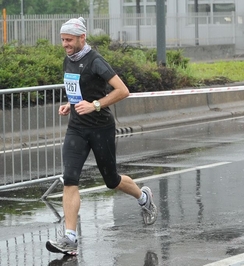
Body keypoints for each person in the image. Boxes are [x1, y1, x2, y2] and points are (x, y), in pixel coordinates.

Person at [46, 17, 158, 256]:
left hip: (100, 128)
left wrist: (95, 104)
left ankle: (143, 197)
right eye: (62, 40)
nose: (64, 44)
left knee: (112, 180)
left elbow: (123, 90)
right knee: (70, 178)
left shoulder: (96, 61)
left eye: (68, 40)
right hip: (76, 127)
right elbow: (80, 91)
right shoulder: (69, 60)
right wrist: (70, 104)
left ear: (81, 38)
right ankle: (70, 238)